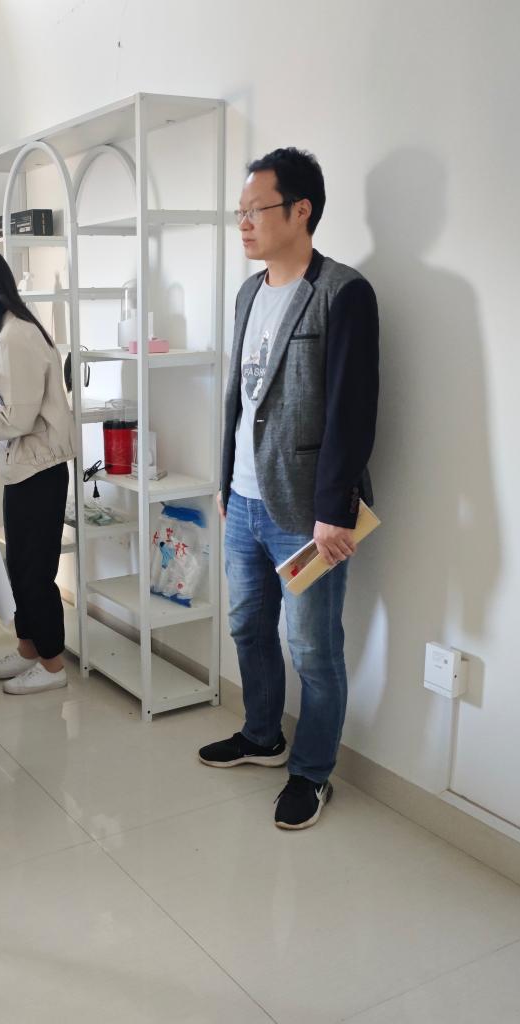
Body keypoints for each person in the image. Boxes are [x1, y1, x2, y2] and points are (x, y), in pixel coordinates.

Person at [198, 148, 379, 830]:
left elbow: (352, 410)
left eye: (256, 210)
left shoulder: (343, 292)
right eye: (239, 212)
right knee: (247, 625)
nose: (243, 223)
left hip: (307, 513)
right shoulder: (249, 293)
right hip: (244, 500)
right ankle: (262, 736)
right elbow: (240, 400)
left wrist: (335, 510)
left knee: (312, 650)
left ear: (301, 211)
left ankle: (311, 772)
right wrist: (224, 479)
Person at [0, 248, 75, 695]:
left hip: (39, 471)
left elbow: (19, 418)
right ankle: (28, 649)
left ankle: (53, 665)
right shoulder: (6, 333)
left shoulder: (16, 336)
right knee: (18, 566)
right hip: (23, 469)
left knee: (34, 572)